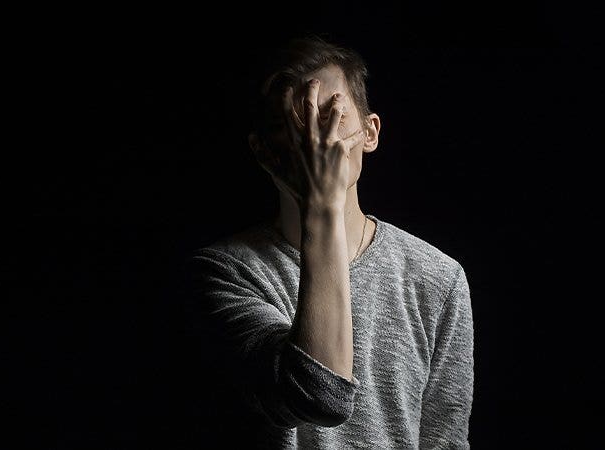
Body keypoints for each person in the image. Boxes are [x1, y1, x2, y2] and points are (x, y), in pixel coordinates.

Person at [184, 36, 474, 449]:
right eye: (290, 124)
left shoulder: (439, 279)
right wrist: (322, 204)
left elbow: (443, 441)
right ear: (262, 150)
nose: (313, 142)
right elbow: (320, 394)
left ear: (370, 133)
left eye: (330, 115)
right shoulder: (223, 272)